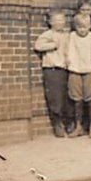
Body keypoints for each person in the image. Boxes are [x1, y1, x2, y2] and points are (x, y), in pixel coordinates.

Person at [33, 9, 71, 138]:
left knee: (67, 97)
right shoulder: (48, 34)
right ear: (50, 22)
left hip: (66, 69)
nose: (60, 23)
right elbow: (38, 46)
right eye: (57, 20)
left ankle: (68, 123)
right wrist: (53, 45)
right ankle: (57, 124)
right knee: (55, 98)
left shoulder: (67, 35)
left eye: (62, 20)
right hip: (53, 70)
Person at [66, 14, 91, 138]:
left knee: (90, 100)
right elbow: (70, 53)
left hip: (89, 71)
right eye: (79, 27)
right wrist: (70, 65)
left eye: (85, 27)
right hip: (75, 70)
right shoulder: (72, 37)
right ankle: (78, 126)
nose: (82, 30)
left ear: (90, 26)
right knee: (77, 101)